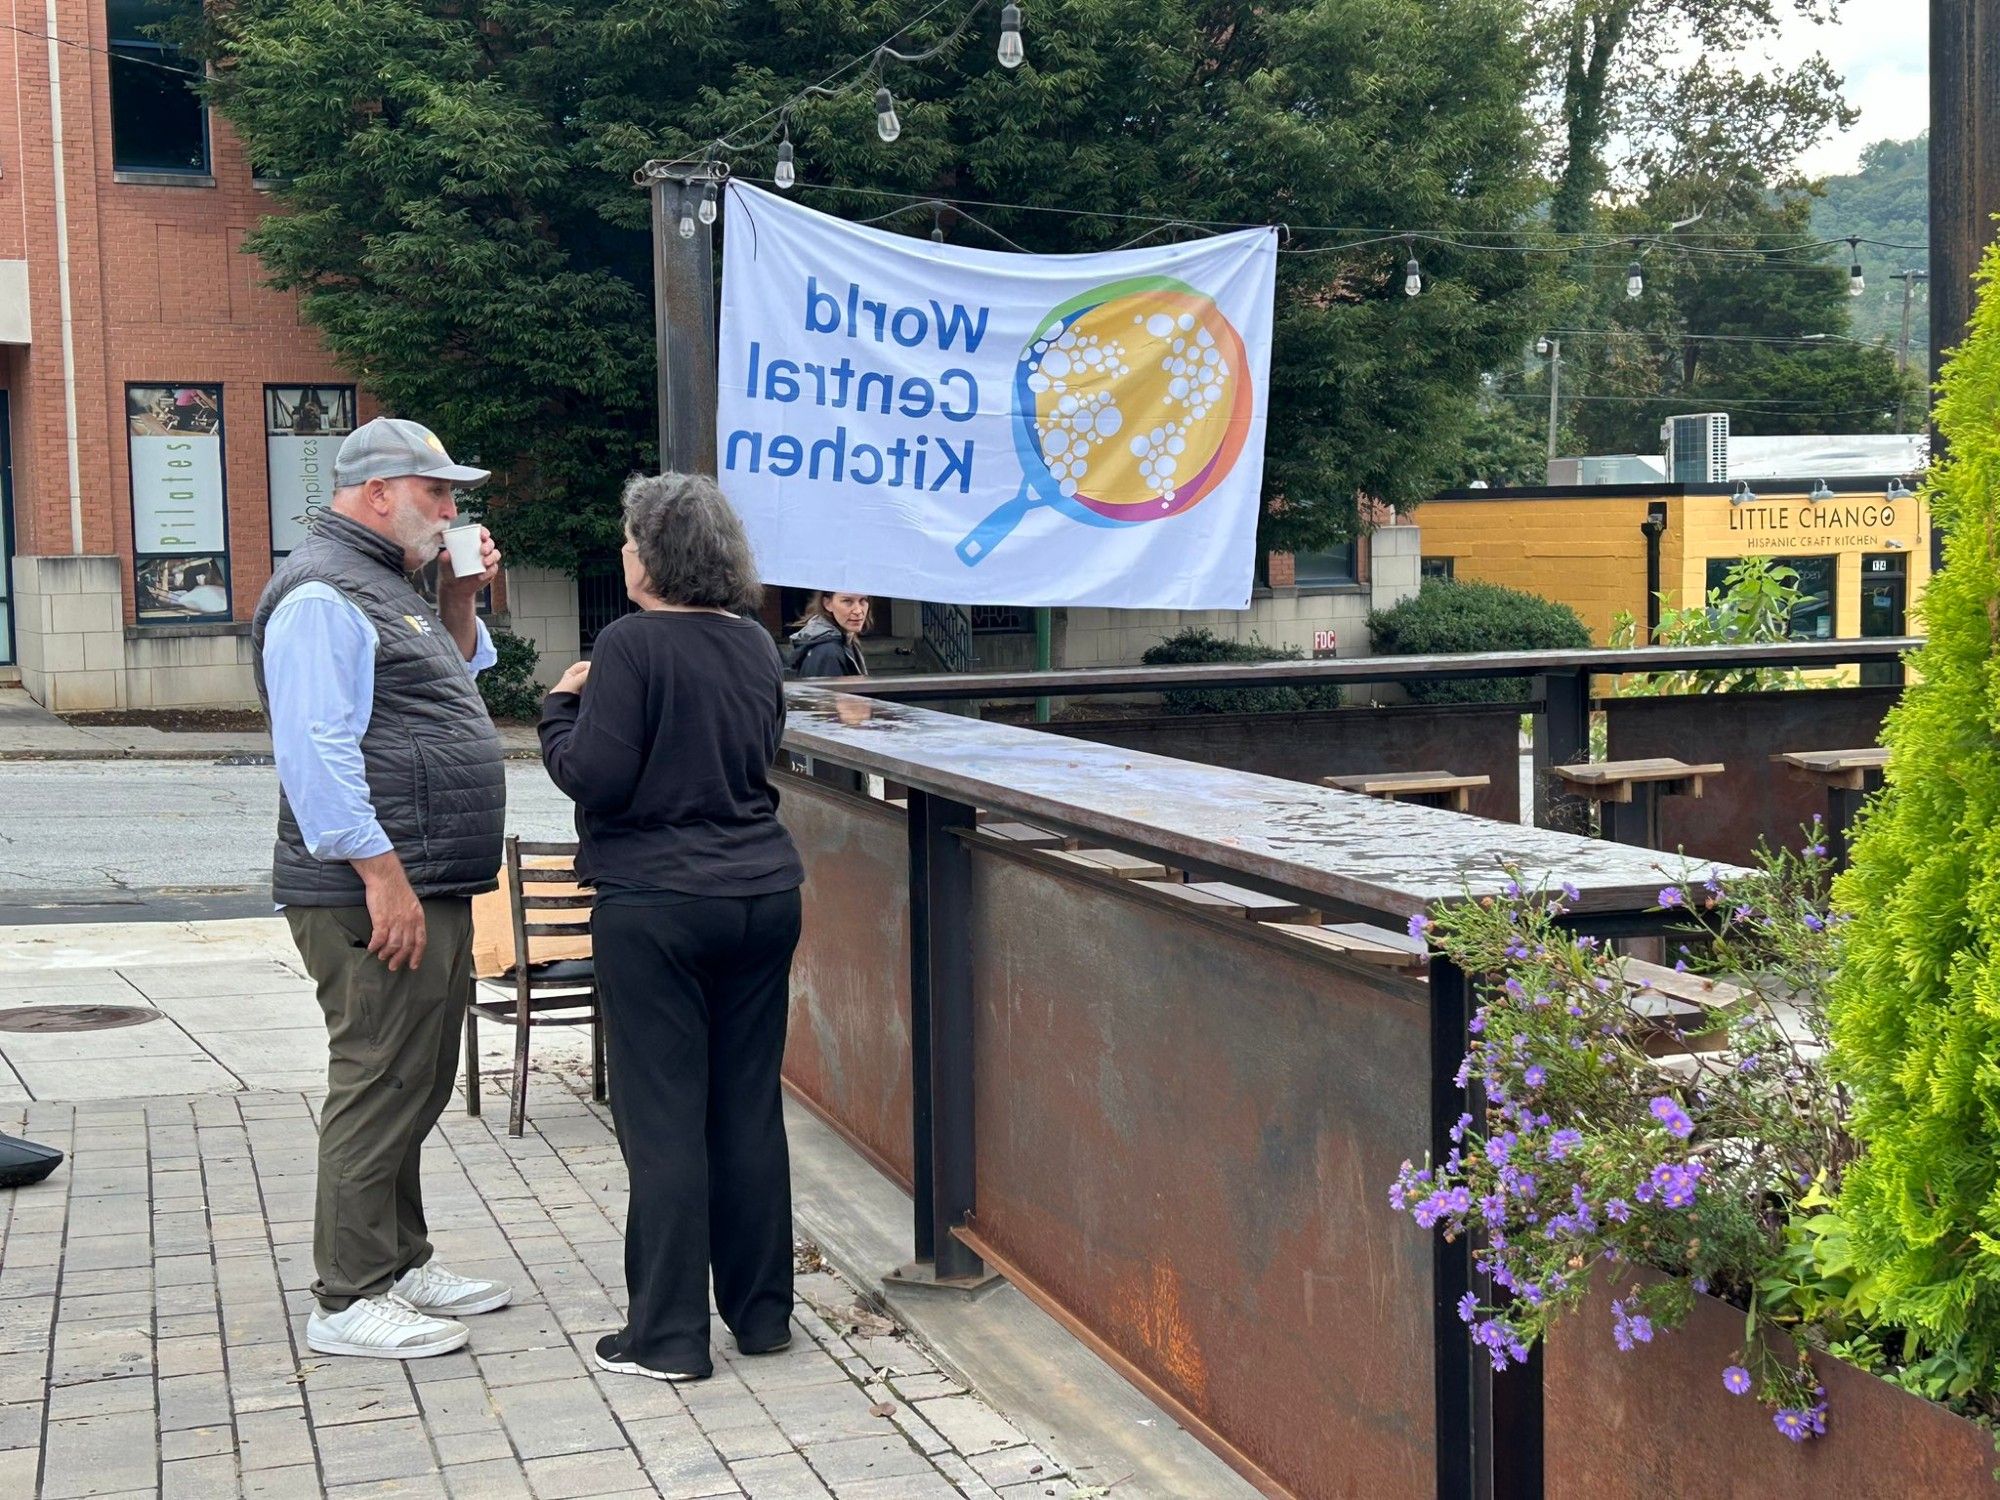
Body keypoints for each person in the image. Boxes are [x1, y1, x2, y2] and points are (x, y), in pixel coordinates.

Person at [252, 416, 512, 1361]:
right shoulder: (324, 593)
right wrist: (382, 878)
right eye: (435, 492)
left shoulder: (389, 585)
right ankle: (349, 1293)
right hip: (374, 888)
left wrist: (462, 591)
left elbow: (449, 686)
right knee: (378, 1077)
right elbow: (316, 750)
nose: (451, 507)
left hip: (422, 876)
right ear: (376, 495)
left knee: (418, 1075)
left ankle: (397, 1261)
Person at [540, 472, 805, 1383]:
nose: (622, 550)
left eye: (627, 537)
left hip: (656, 903)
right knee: (745, 1109)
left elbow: (596, 779)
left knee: (663, 1125)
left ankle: (667, 1337)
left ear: (650, 556)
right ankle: (763, 1316)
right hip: (763, 893)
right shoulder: (754, 645)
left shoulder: (629, 645)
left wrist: (559, 708)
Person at [786, 592, 870, 678]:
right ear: (827, 603)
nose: (858, 611)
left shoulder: (846, 641)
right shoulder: (828, 651)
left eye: (863, 600)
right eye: (847, 601)